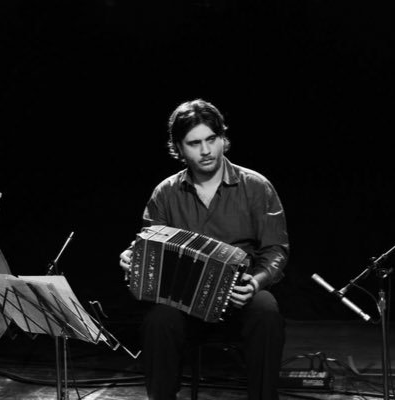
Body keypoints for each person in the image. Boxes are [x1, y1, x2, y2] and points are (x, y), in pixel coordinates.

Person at [119, 99, 289, 400]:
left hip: (238, 295)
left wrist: (257, 282)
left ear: (223, 138)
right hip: (183, 302)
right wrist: (134, 259)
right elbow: (148, 245)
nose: (206, 150)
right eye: (194, 143)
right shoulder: (166, 193)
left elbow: (276, 250)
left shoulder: (257, 186)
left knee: (267, 312)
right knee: (158, 321)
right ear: (179, 149)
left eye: (211, 139)